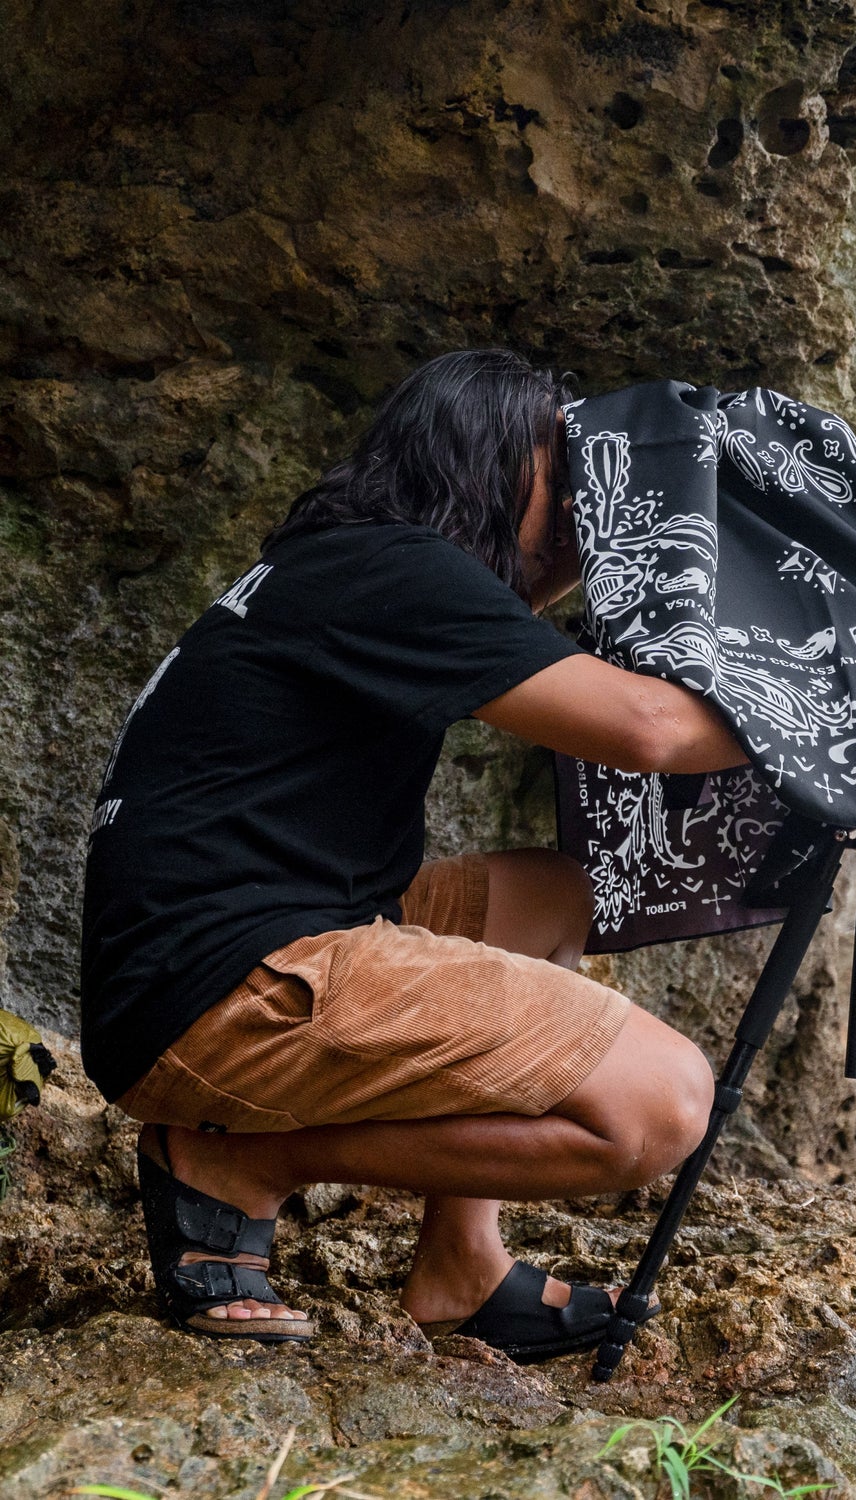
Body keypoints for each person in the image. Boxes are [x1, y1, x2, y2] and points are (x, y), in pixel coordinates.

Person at [80, 349, 746, 1361]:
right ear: (487, 456)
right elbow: (648, 728)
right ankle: (246, 1164)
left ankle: (460, 1266)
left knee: (549, 897)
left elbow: (560, 645)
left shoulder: (346, 563)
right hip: (221, 993)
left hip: (207, 959)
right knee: (657, 1107)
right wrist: (844, 711)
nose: (582, 510)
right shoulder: (390, 570)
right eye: (567, 476)